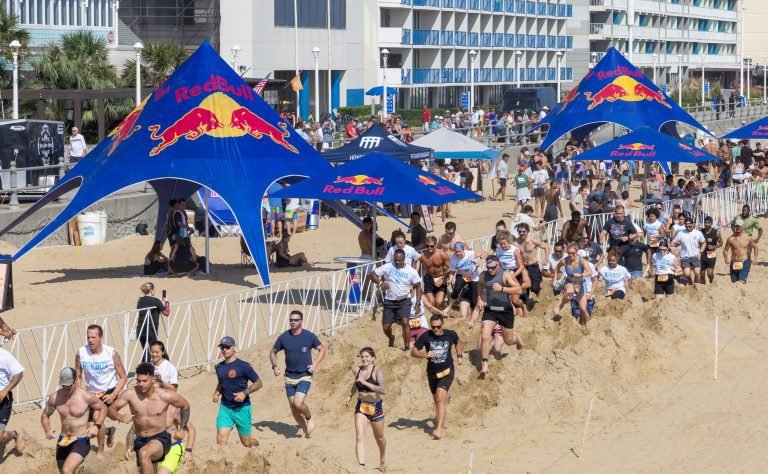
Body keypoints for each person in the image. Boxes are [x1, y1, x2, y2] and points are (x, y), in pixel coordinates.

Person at [109, 362, 191, 474]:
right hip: (140, 439)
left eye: (144, 381)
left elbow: (185, 405)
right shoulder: (130, 394)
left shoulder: (164, 395)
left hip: (160, 438)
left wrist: (182, 429)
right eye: (138, 381)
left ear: (153, 379)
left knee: (144, 453)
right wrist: (119, 416)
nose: (141, 384)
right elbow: (111, 409)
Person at [269, 310, 326, 438]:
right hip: (289, 377)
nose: (292, 322)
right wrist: (275, 366)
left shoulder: (309, 336)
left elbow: (322, 349)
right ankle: (306, 431)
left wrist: (315, 364)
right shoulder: (284, 337)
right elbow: (273, 352)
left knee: (298, 403)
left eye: (295, 320)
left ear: (301, 321)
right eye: (291, 320)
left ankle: (309, 418)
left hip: (304, 375)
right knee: (293, 409)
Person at [75, 324, 127, 458]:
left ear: (101, 338)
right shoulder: (81, 353)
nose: (90, 340)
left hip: (108, 391)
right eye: (88, 337)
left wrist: (114, 394)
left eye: (93, 337)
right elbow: (78, 376)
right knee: (90, 428)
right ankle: (109, 431)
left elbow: (123, 376)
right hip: (91, 393)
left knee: (97, 418)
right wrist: (78, 392)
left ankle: (100, 451)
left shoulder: (111, 353)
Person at [41, 367, 105, 474]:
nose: (66, 388)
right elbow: (45, 416)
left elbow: (103, 408)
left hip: (80, 440)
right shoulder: (55, 397)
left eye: (69, 386)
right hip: (63, 440)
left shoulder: (86, 396)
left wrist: (96, 426)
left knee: (67, 470)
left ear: (76, 381)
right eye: (63, 385)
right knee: (63, 471)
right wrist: (47, 430)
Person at [411, 315, 463, 440]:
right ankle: (439, 420)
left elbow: (458, 341)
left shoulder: (450, 334)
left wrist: (459, 355)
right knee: (436, 400)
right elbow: (413, 352)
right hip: (432, 373)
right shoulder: (426, 336)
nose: (436, 329)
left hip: (447, 371)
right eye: (433, 327)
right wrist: (425, 354)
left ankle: (439, 429)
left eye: (438, 327)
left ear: (442, 325)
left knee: (440, 398)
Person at [475, 255, 524, 375]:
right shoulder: (483, 275)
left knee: (508, 340)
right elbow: (480, 284)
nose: (490, 270)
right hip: (490, 310)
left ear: (498, 265)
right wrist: (480, 297)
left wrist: (502, 289)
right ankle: (485, 364)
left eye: (492, 267)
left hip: (505, 310)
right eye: (488, 267)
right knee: (485, 335)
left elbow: (519, 290)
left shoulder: (505, 274)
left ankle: (517, 340)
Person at [212, 336, 262, 448]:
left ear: (234, 348)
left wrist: (245, 393)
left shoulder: (244, 366)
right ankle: (220, 464)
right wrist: (217, 392)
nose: (224, 350)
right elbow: (222, 382)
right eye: (222, 347)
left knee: (246, 443)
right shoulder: (219, 367)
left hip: (242, 409)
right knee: (220, 440)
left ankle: (257, 445)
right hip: (225, 408)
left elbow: (259, 383)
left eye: (227, 347)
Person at [369, 249, 422, 349]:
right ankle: (391, 338)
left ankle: (406, 347)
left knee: (405, 322)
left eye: (400, 260)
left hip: (404, 300)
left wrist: (417, 304)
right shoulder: (388, 266)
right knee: (386, 327)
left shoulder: (411, 271)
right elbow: (372, 274)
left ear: (404, 259)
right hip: (390, 300)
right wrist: (381, 283)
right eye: (396, 260)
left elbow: (418, 286)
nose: (397, 262)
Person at [344, 347, 387, 471]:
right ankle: (361, 467)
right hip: (361, 406)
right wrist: (350, 395)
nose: (364, 359)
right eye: (362, 356)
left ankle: (383, 459)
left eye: (367, 356)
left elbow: (383, 390)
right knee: (359, 436)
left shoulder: (377, 371)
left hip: (376, 407)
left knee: (379, 438)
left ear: (373, 358)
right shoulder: (356, 370)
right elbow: (356, 383)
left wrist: (366, 382)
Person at [553, 243, 593, 325]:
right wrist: (555, 279)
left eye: (573, 253)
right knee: (569, 293)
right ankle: (561, 305)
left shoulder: (582, 261)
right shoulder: (564, 260)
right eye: (569, 253)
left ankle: (585, 324)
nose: (570, 255)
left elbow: (589, 272)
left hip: (580, 284)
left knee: (582, 309)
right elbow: (557, 268)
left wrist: (582, 274)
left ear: (576, 252)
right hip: (570, 282)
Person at [513, 223, 549, 301]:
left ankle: (540, 297)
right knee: (523, 286)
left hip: (533, 266)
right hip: (522, 267)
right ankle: (525, 303)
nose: (521, 233)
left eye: (523, 231)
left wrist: (546, 259)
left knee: (535, 287)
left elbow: (546, 246)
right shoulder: (515, 243)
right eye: (519, 231)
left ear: (528, 231)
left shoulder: (533, 241)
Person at [136, 282, 171, 362]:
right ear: (151, 290)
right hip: (150, 330)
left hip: (140, 330)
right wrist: (166, 302)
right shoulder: (155, 301)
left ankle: (144, 370)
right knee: (156, 351)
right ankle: (143, 370)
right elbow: (167, 313)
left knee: (147, 351)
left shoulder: (140, 300)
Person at [448, 242, 481, 322]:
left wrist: (477, 260)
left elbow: (481, 255)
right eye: (456, 251)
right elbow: (452, 271)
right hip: (462, 274)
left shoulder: (470, 253)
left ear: (463, 250)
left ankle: (473, 317)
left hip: (473, 275)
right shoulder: (453, 258)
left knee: (474, 299)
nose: (458, 253)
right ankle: (449, 307)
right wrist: (450, 279)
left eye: (459, 251)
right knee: (456, 289)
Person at [0, 346, 23, 454]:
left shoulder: (4, 356)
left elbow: (18, 374)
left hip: (3, 401)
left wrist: (5, 390)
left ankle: (15, 434)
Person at [418, 236, 451, 310]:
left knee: (438, 302)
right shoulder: (423, 254)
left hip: (440, 277)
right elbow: (417, 264)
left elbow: (451, 267)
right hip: (428, 278)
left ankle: (443, 300)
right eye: (427, 246)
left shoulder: (442, 254)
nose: (429, 248)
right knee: (431, 302)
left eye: (432, 246)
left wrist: (443, 279)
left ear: (436, 245)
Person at [671, 217, 706, 286]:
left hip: (695, 256)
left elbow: (704, 243)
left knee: (697, 273)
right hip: (685, 257)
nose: (688, 228)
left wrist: (700, 252)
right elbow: (673, 242)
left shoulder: (698, 233)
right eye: (686, 226)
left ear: (693, 225)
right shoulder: (681, 233)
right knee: (687, 274)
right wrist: (673, 244)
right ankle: (690, 283)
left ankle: (696, 286)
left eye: (690, 226)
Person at [724, 219, 759, 284]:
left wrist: (755, 258)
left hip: (744, 263)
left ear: (743, 226)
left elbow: (755, 247)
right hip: (734, 263)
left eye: (739, 226)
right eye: (736, 226)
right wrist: (726, 258)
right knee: (734, 283)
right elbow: (725, 250)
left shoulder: (748, 238)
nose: (737, 228)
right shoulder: (730, 239)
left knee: (741, 282)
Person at [700, 216, 723, 284]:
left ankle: (711, 281)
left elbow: (721, 243)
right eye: (705, 222)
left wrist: (714, 247)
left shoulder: (716, 232)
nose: (707, 224)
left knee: (709, 273)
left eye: (708, 223)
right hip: (702, 254)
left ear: (711, 223)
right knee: (702, 274)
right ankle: (703, 287)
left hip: (711, 254)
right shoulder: (700, 232)